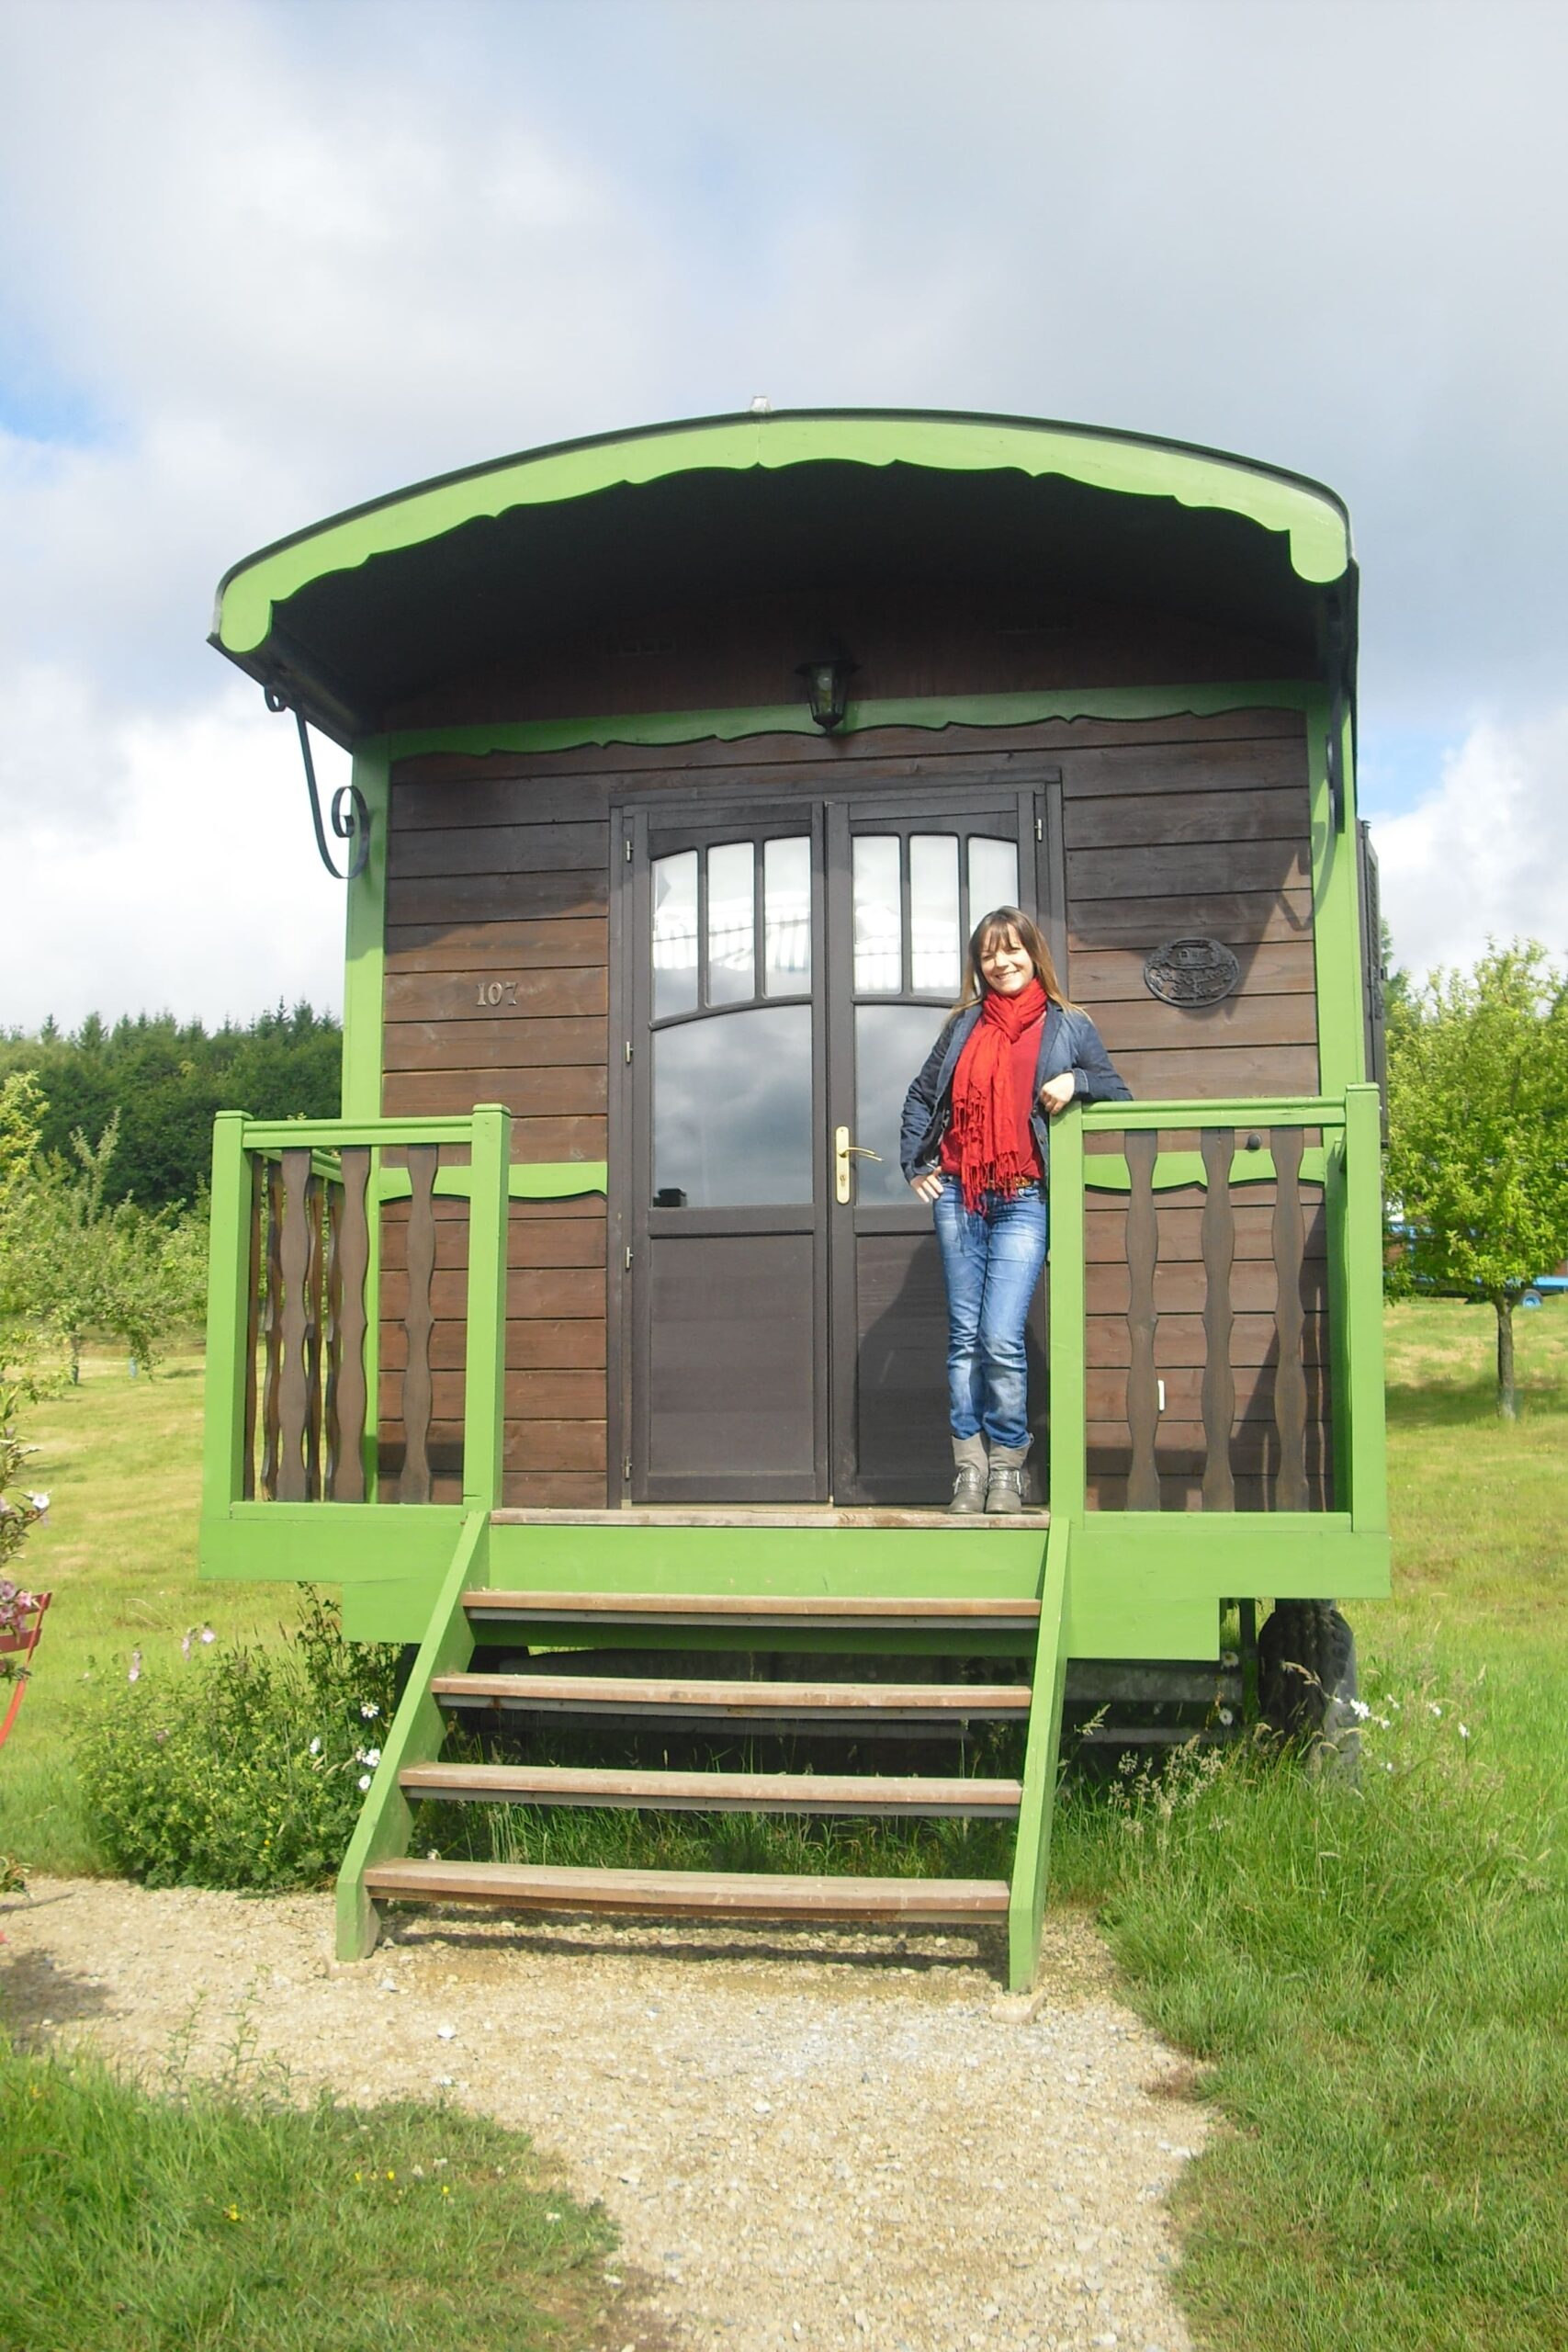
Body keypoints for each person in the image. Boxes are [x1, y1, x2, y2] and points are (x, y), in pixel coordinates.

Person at [900, 907, 1131, 1514]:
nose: (1000, 963)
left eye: (1011, 951)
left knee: (1000, 1337)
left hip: (1023, 1197)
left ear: (1033, 954)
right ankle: (968, 1469)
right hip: (960, 1195)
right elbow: (922, 1095)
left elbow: (1117, 1090)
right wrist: (914, 1164)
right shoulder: (963, 1026)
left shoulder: (1067, 1025)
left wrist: (1077, 1082)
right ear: (977, 966)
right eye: (988, 955)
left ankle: (1007, 1465)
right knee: (964, 1339)